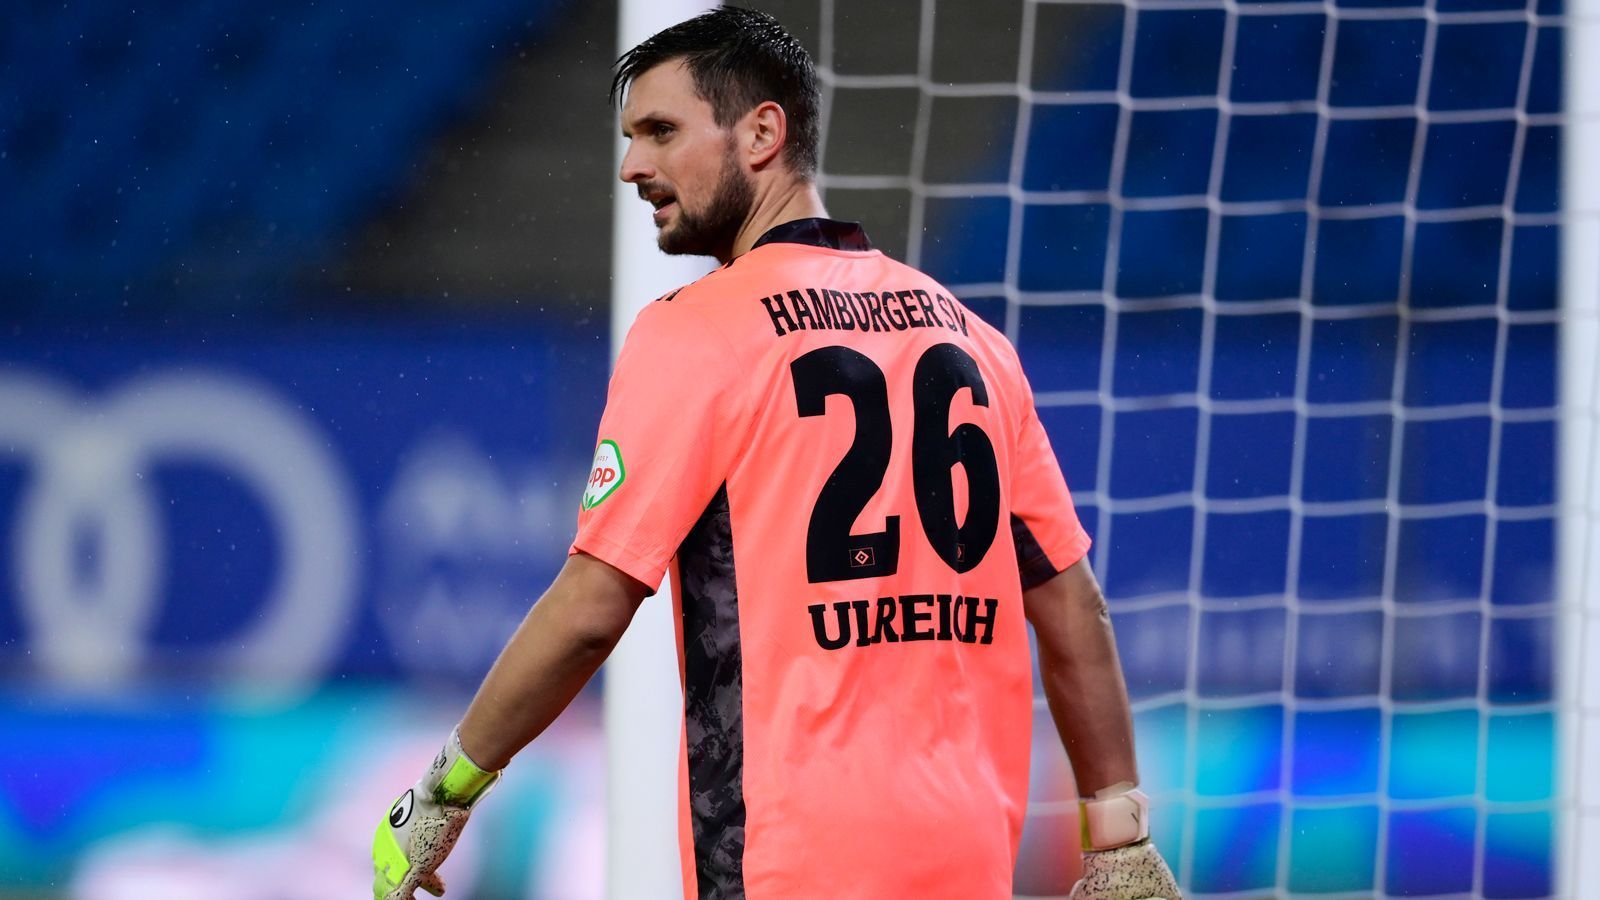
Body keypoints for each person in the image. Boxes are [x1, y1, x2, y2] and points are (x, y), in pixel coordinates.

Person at [371, 7, 1181, 900]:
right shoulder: (973, 338)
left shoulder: (698, 335)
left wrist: (442, 793)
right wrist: (1117, 839)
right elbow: (1072, 607)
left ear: (762, 132)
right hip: (967, 855)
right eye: (631, 137)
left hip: (792, 859)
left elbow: (593, 605)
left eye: (662, 131)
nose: (633, 165)